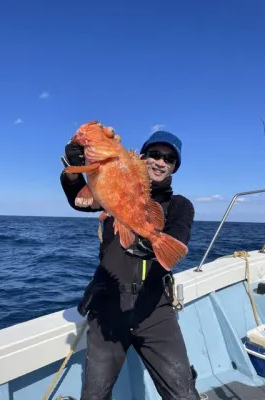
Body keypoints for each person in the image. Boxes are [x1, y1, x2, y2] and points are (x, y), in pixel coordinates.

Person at [60, 126, 200, 400]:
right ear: (143, 156)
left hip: (154, 309)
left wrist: (146, 242)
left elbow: (177, 239)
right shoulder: (116, 188)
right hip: (107, 306)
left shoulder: (180, 205)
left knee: (183, 393)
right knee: (94, 395)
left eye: (169, 159)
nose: (160, 162)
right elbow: (78, 198)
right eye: (155, 154)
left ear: (174, 168)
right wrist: (74, 164)